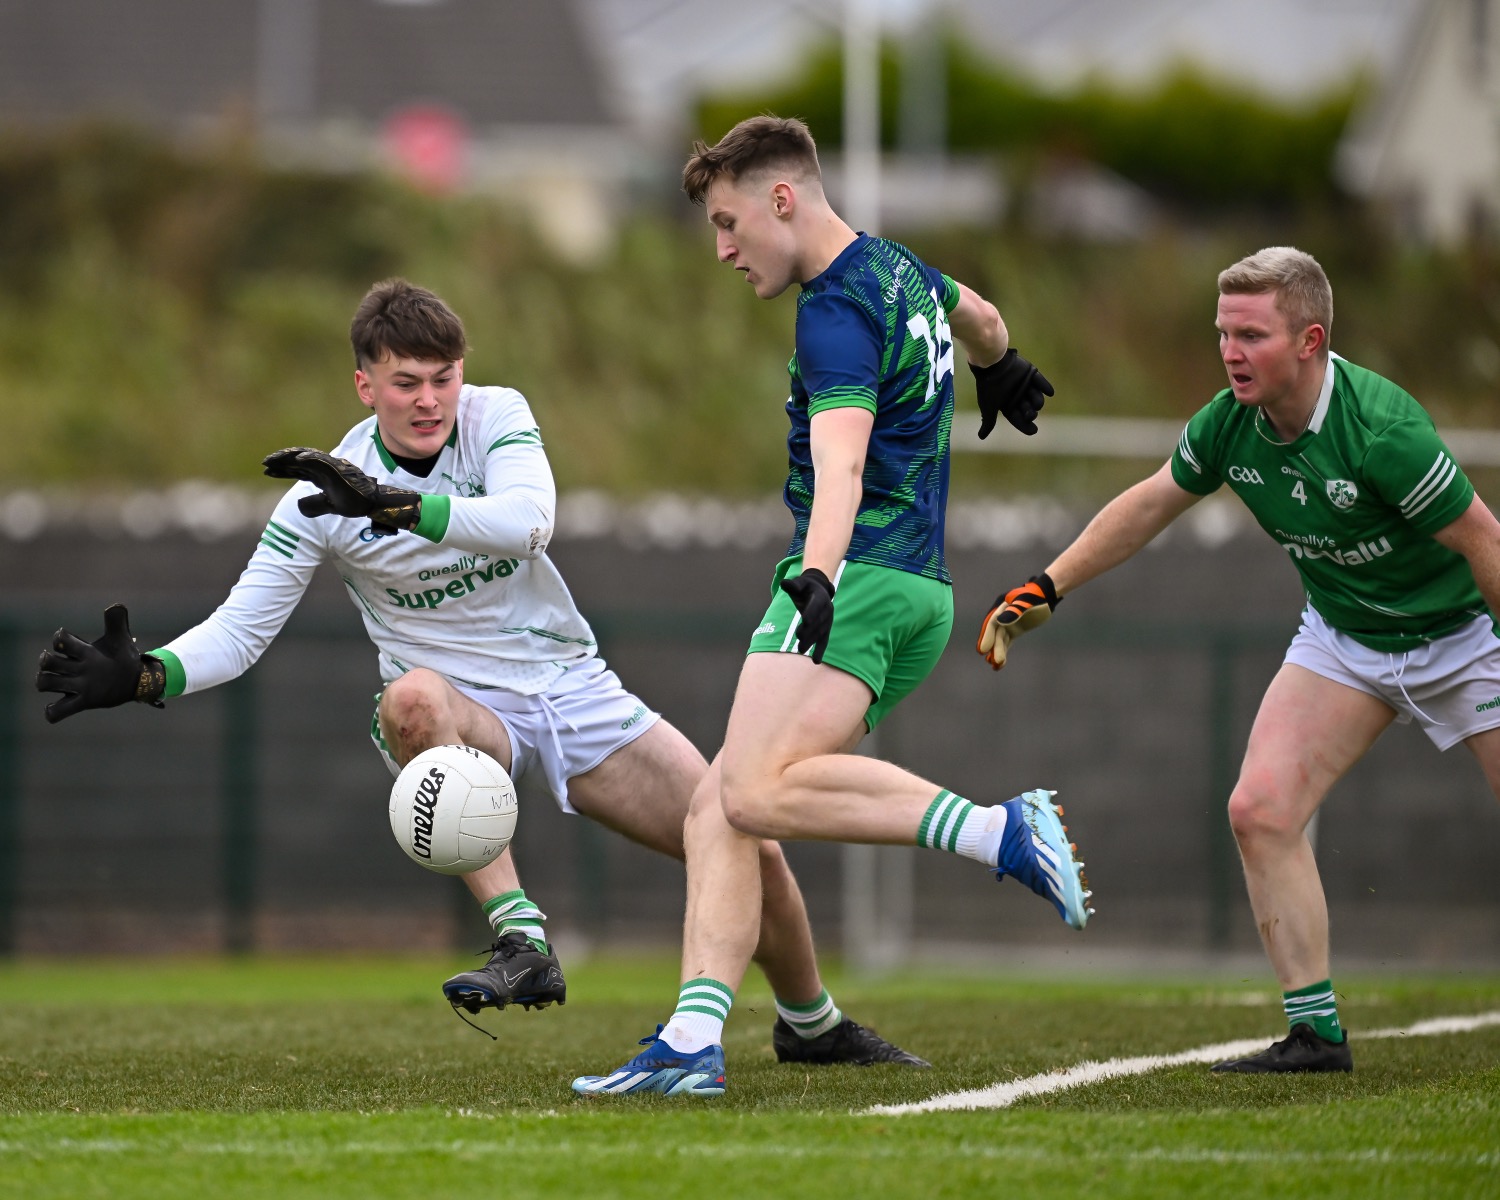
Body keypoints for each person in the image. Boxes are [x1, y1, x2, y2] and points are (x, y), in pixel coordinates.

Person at [33, 277, 925, 1069]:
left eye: (443, 377)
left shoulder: (496, 415)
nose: (430, 400)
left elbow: (531, 522)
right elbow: (240, 632)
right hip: (464, 714)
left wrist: (402, 507)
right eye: (406, 382)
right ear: (364, 385)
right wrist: (149, 675)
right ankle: (521, 938)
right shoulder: (320, 496)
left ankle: (811, 1023)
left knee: (740, 831)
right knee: (410, 700)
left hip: (570, 687)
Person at [571, 116, 1089, 1099]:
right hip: (920, 592)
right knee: (723, 803)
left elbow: (842, 465)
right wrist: (999, 362)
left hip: (858, 576)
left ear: (782, 199)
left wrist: (816, 576)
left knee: (748, 793)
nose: (723, 251)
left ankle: (998, 832)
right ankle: (699, 1040)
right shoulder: (901, 268)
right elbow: (981, 314)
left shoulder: (835, 311)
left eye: (728, 224)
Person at [978, 246, 1500, 1074]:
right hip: (1345, 639)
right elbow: (1150, 503)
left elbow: (1484, 540)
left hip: (1465, 640)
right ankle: (1316, 1035)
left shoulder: (1381, 430)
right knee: (1260, 810)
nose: (1230, 352)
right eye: (1223, 333)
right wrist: (1047, 586)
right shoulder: (1229, 424)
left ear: (1310, 340)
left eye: (1252, 335)